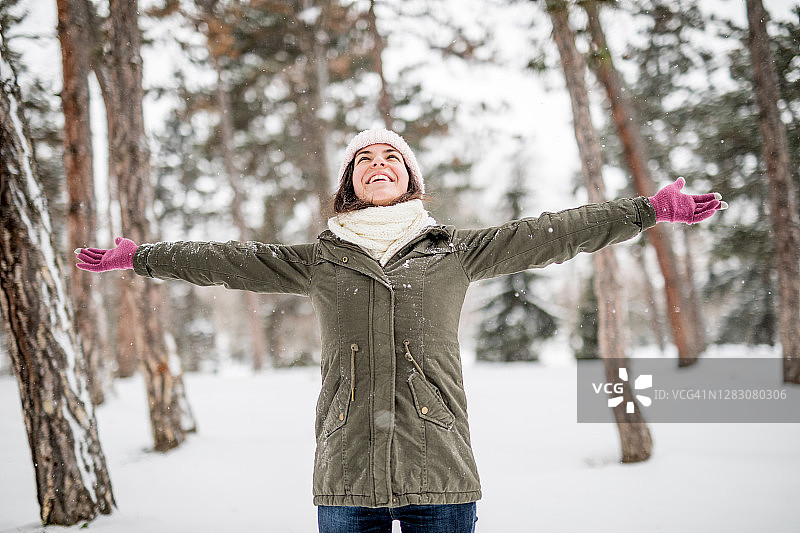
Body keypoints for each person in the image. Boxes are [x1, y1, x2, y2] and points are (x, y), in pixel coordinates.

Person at [75, 129, 727, 532]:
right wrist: (144, 256)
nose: (378, 162)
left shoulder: (455, 249)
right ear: (349, 184)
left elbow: (553, 232)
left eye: (392, 156)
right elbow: (225, 261)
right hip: (347, 470)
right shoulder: (319, 259)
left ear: (410, 178)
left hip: (438, 467)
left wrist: (645, 210)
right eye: (365, 158)